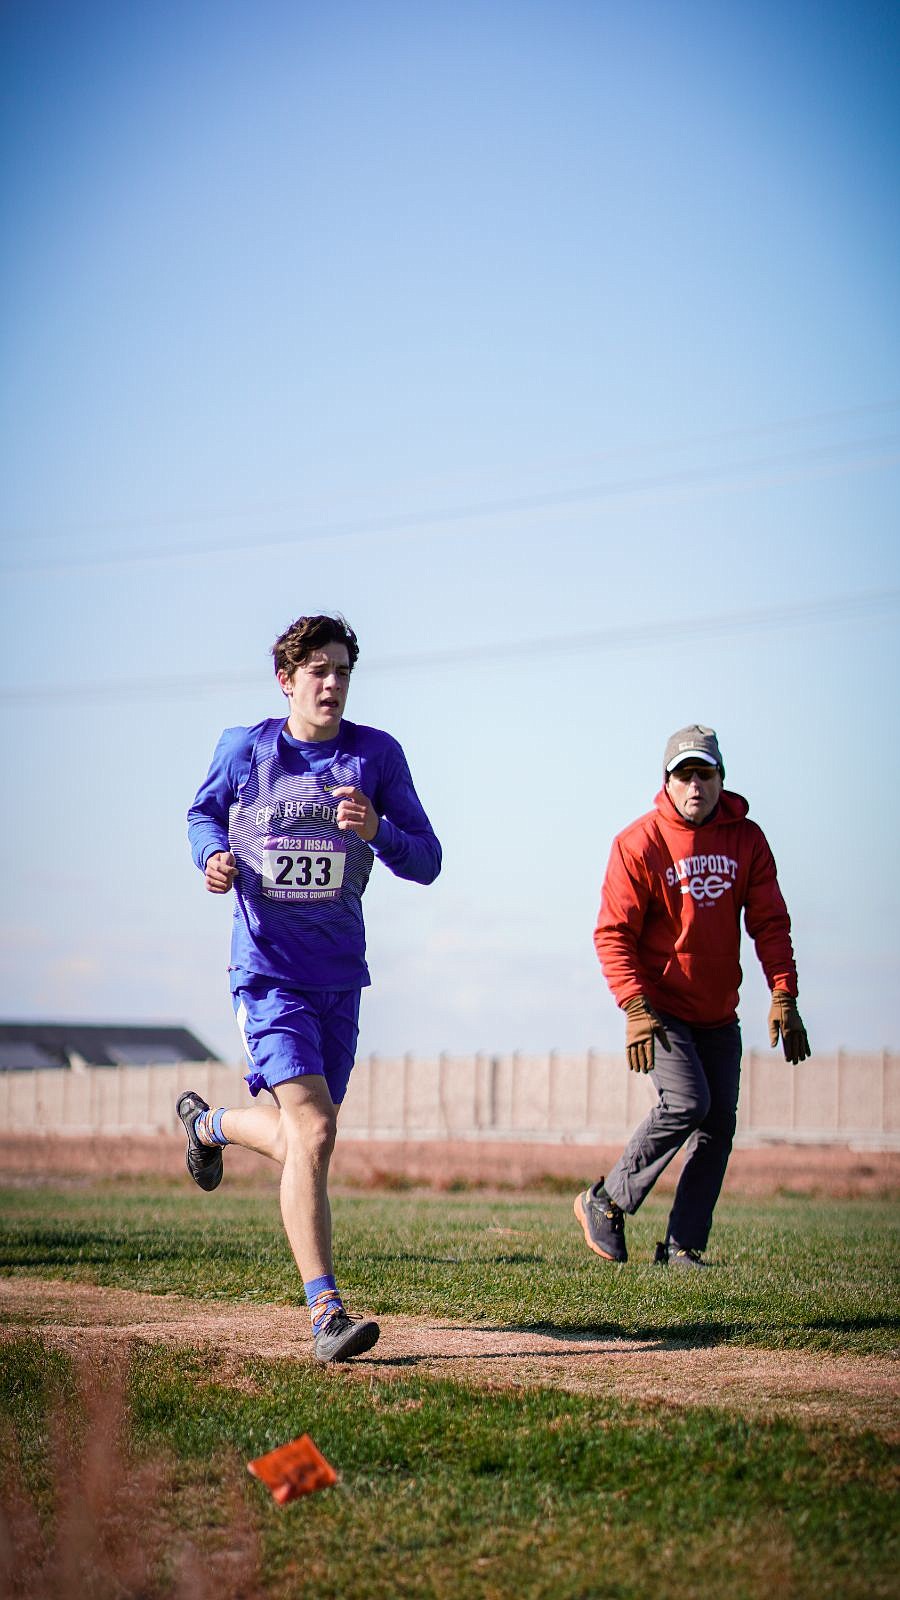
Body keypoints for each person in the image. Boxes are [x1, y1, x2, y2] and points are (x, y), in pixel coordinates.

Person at [181, 613, 441, 1360]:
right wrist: (213, 857)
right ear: (286, 679)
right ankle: (325, 1312)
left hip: (340, 979)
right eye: (317, 670)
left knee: (304, 1137)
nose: (331, 683)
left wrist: (376, 833)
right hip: (265, 971)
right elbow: (203, 813)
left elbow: (427, 859)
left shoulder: (376, 756)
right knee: (317, 1131)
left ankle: (209, 1127)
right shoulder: (247, 749)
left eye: (342, 672)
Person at [574, 724, 810, 1268]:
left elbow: (771, 923)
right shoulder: (639, 842)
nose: (695, 785)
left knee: (717, 1126)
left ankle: (682, 1247)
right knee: (687, 1102)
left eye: (705, 773)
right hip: (662, 1009)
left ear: (721, 780)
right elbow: (613, 933)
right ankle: (606, 1199)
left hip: (718, 1012)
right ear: (668, 781)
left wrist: (783, 994)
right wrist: (635, 1008)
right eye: (684, 775)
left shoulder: (747, 839)